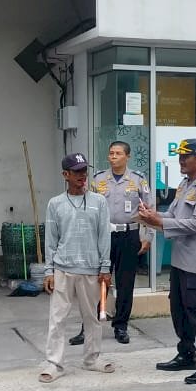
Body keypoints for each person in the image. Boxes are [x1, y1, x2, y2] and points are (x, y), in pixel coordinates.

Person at [137, 138, 196, 385]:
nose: (181, 161)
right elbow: (172, 215)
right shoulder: (185, 185)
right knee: (179, 310)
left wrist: (159, 223)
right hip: (179, 260)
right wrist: (152, 216)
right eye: (180, 157)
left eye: (186, 157)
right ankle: (186, 354)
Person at [39, 153, 115, 383]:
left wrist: (105, 266)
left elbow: (104, 236)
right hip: (63, 269)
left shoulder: (99, 202)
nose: (82, 176)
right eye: (77, 172)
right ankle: (54, 363)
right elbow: (51, 240)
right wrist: (49, 271)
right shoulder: (55, 204)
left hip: (91, 269)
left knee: (92, 318)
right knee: (57, 319)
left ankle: (92, 359)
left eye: (84, 171)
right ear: (66, 175)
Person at [69, 140, 151, 346]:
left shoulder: (138, 179)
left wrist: (147, 235)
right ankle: (88, 326)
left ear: (127, 157)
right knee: (95, 282)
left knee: (125, 283)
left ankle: (121, 326)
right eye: (111, 153)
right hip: (102, 236)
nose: (113, 157)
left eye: (118, 153)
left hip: (129, 235)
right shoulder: (98, 179)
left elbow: (148, 208)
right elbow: (86, 207)